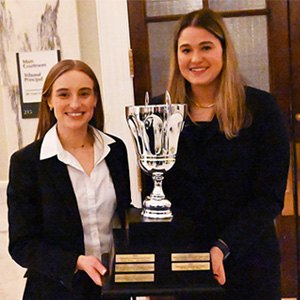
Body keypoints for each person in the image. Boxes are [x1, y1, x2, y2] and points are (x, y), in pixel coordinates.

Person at [150, 8, 290, 299]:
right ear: (176, 56)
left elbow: (269, 197)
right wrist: (191, 251)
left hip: (249, 259)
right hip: (188, 260)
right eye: (185, 49)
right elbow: (160, 192)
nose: (195, 59)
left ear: (224, 51)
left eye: (206, 47)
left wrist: (224, 245)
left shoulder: (261, 109)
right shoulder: (158, 114)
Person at [7, 59, 132, 299]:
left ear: (95, 99)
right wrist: (76, 262)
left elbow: (123, 215)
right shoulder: (26, 162)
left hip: (113, 288)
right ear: (49, 101)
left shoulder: (116, 150)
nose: (75, 103)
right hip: (55, 289)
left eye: (84, 93)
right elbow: (21, 245)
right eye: (63, 94)